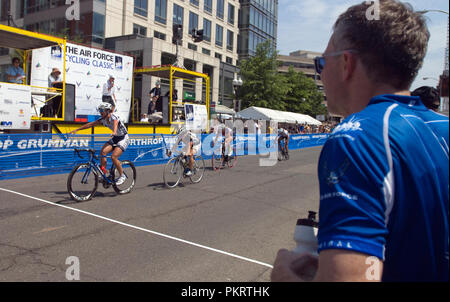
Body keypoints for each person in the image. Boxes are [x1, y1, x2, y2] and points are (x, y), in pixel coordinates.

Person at [271, 0, 448, 282]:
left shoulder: (356, 137)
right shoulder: (443, 126)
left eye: (321, 62)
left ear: (346, 63)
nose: (320, 73)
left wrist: (282, 276)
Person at [69, 103, 129, 185]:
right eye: (99, 110)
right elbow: (90, 124)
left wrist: (114, 131)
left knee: (114, 157)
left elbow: (115, 123)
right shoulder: (103, 119)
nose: (100, 112)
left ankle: (122, 175)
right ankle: (104, 173)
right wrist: (77, 129)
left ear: (108, 111)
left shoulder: (113, 116)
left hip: (123, 138)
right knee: (103, 152)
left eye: (102, 110)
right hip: (115, 138)